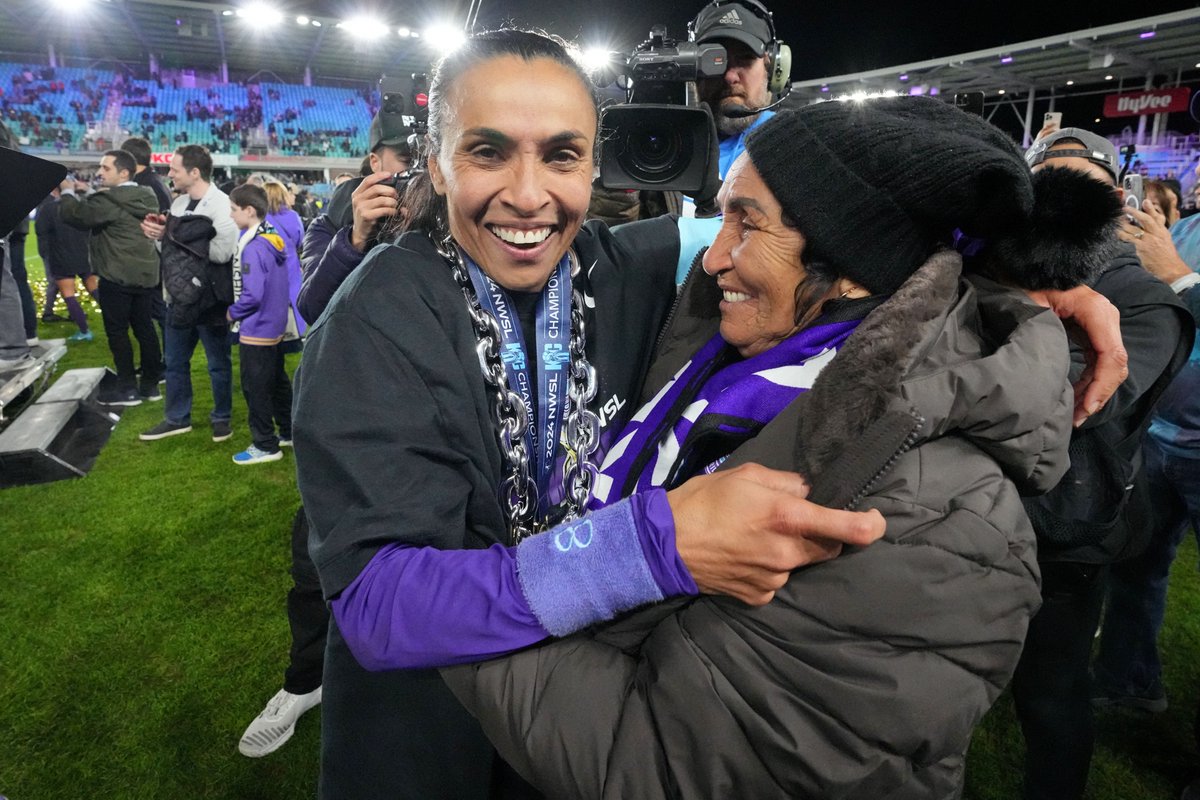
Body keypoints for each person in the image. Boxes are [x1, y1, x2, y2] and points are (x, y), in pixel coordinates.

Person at [437, 96, 1133, 800]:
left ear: (858, 260)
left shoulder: (932, 510)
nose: (711, 257)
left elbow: (671, 766)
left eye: (745, 222)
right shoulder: (736, 351)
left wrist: (448, 606)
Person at [293, 30, 889, 800]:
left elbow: (844, 241)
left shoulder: (625, 263)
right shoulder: (374, 320)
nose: (530, 194)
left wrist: (1024, 287)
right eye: (489, 151)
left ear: (592, 162)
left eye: (562, 155)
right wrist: (650, 548)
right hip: (428, 724)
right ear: (437, 163)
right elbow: (379, 603)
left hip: (574, 715)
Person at [1013, 128, 1192, 800]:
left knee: (1051, 694)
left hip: (1065, 535)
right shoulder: (994, 267)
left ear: (1116, 199)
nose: (1054, 203)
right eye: (1042, 186)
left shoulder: (1144, 302)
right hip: (969, 521)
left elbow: (1064, 413)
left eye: (1074, 186)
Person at [138, 145, 239, 442]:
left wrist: (178, 241)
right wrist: (161, 237)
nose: (170, 174)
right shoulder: (178, 204)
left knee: (218, 363)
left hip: (210, 299)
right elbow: (169, 255)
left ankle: (222, 418)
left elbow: (222, 253)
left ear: (194, 172)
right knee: (175, 361)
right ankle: (176, 418)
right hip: (178, 298)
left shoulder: (223, 205)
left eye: (175, 169)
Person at [59, 149, 163, 406]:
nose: (99, 172)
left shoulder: (110, 200)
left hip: (116, 274)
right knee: (145, 329)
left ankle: (127, 389)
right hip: (144, 273)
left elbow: (75, 215)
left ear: (124, 172)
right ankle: (150, 386)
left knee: (118, 332)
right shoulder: (145, 195)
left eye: (106, 168)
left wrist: (68, 191)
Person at [295, 107, 414, 324]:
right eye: (407, 160)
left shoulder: (451, 216)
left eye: (427, 158)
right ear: (375, 162)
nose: (419, 171)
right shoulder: (332, 222)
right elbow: (311, 308)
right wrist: (356, 238)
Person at [226, 184, 292, 465]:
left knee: (256, 388)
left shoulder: (253, 247)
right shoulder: (272, 237)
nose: (230, 215)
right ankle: (288, 431)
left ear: (249, 211)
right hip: (274, 324)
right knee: (277, 382)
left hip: (257, 329)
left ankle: (265, 444)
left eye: (233, 209)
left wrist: (232, 312)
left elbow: (252, 294)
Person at [34, 187, 96, 341]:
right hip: (83, 254)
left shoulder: (48, 208)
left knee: (69, 295)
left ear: (55, 191)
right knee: (95, 290)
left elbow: (40, 231)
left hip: (60, 256)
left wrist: (45, 254)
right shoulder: (80, 205)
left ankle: (84, 331)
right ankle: (118, 321)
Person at [262, 180, 306, 339]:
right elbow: (300, 240)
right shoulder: (293, 216)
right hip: (290, 265)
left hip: (267, 267)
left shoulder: (259, 218)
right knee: (293, 299)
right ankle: (295, 332)